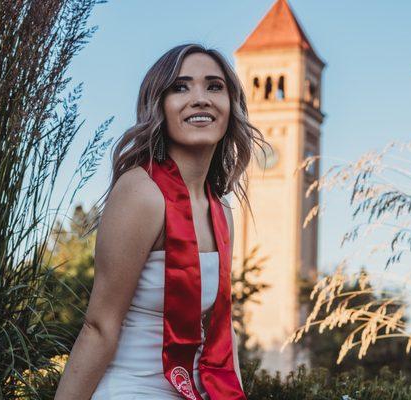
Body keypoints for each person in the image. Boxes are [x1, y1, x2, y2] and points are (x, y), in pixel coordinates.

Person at [54, 43, 269, 400]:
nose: (200, 98)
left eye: (214, 86)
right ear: (159, 106)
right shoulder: (141, 192)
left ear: (231, 106)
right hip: (132, 389)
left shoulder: (221, 211)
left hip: (195, 391)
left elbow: (220, 329)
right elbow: (99, 326)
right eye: (181, 87)